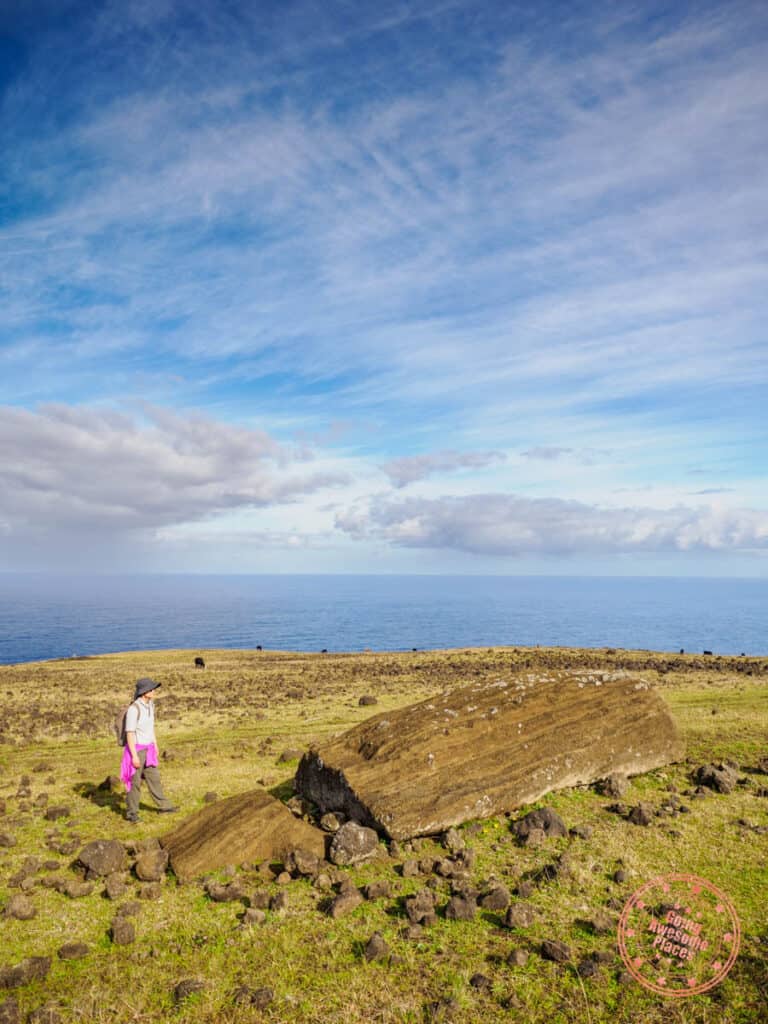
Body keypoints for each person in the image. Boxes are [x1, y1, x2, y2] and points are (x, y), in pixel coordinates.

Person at [121, 677, 178, 823]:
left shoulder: (151, 705)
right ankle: (132, 814)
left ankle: (164, 806)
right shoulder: (134, 709)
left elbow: (150, 727)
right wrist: (134, 756)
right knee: (134, 784)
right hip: (137, 751)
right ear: (144, 692)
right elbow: (130, 733)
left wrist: (155, 744)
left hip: (149, 749)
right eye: (151, 689)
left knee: (155, 779)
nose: (154, 691)